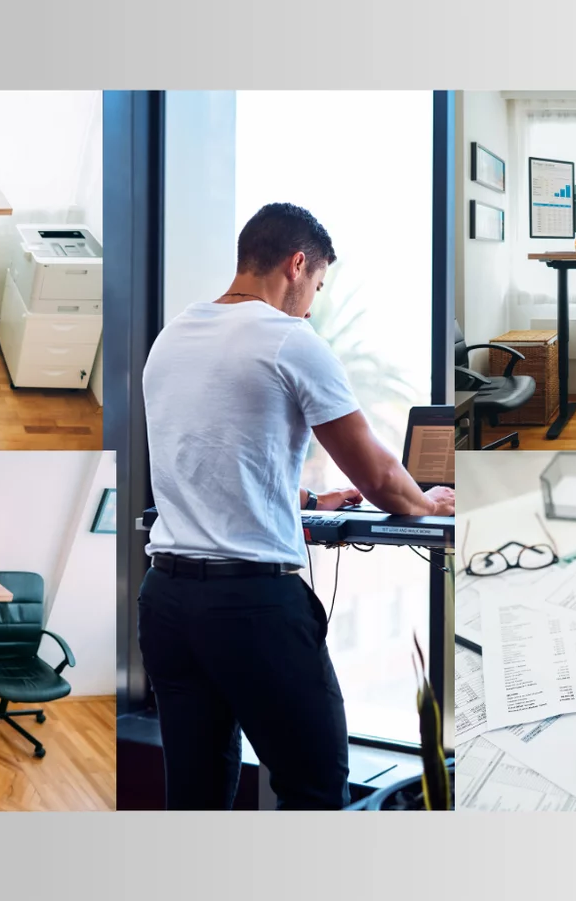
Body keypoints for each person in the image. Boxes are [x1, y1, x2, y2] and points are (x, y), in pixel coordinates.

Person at [138, 202, 456, 810]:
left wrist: (307, 500)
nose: (311, 304)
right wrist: (429, 502)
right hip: (250, 607)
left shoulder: (172, 336)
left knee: (196, 800)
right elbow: (380, 476)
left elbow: (207, 464)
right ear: (297, 264)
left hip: (167, 604)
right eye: (317, 285)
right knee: (315, 791)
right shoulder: (288, 339)